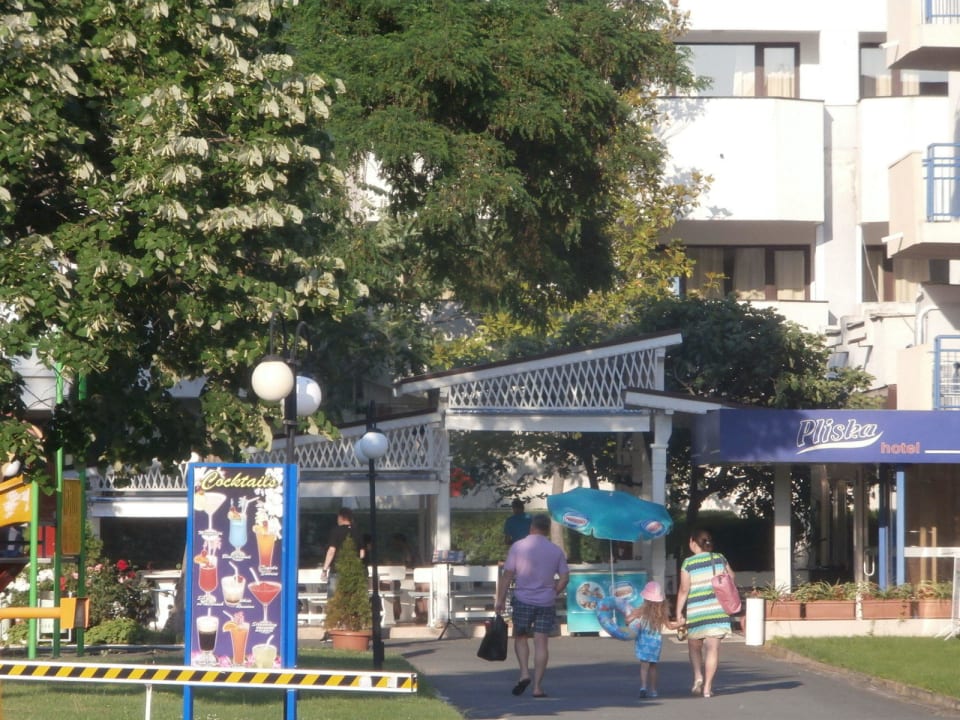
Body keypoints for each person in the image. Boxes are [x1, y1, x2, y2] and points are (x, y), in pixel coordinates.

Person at [495, 513, 569, 699]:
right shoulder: (555, 550)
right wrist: (554, 592)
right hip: (546, 601)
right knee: (541, 642)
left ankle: (524, 673)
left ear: (531, 527)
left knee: (521, 637)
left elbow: (507, 575)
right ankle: (537, 687)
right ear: (547, 530)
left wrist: (500, 599)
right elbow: (565, 578)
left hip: (523, 599)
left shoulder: (518, 547)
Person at [674, 528, 735, 699]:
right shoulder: (720, 558)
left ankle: (698, 676)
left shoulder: (688, 563)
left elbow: (684, 589)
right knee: (712, 649)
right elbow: (731, 576)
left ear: (693, 543)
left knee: (694, 647)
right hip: (717, 611)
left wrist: (678, 612)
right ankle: (707, 687)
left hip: (696, 612)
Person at [625, 580, 675, 699]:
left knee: (644, 666)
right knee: (653, 666)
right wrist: (682, 624)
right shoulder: (661, 613)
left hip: (643, 641)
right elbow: (670, 626)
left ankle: (643, 687)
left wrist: (630, 618)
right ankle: (653, 690)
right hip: (655, 643)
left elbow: (628, 621)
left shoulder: (641, 610)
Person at [320, 508, 363, 592]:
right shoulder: (357, 531)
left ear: (341, 517)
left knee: (334, 596)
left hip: (337, 570)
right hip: (353, 570)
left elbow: (331, 551)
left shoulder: (336, 531)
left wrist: (324, 569)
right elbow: (362, 552)